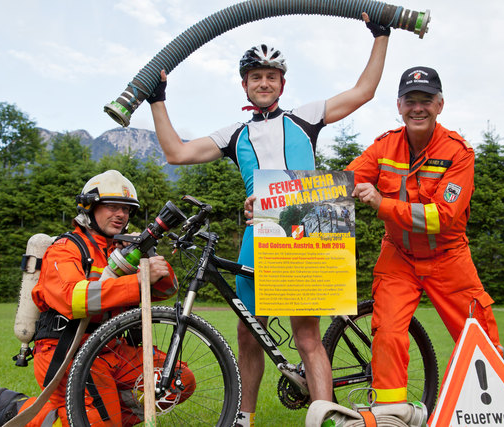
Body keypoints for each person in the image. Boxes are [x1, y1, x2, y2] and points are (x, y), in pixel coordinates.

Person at [149, 13, 391, 426]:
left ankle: (326, 416)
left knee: (307, 336)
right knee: (248, 332)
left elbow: (364, 92)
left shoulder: (306, 116)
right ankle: (244, 418)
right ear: (245, 84)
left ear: (282, 83)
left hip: (306, 228)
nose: (264, 82)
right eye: (256, 76)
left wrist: (380, 35)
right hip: (257, 232)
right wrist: (157, 99)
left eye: (271, 76)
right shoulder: (235, 133)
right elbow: (176, 152)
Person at [0, 170, 194, 426]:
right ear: (90, 209)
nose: (121, 215)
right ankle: (18, 411)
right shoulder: (65, 248)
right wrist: (135, 281)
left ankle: (93, 411)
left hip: (113, 349)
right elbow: (74, 299)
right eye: (112, 206)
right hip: (69, 349)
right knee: (100, 419)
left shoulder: (124, 249)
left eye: (126, 209)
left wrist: (153, 263)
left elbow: (166, 289)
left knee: (180, 381)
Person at [345, 66, 504, 405]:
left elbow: (442, 218)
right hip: (398, 257)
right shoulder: (384, 147)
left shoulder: (458, 153)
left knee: (481, 337)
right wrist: (272, 201)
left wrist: (382, 203)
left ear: (440, 105)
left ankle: (477, 409)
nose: (418, 108)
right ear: (399, 105)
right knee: (387, 332)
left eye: (426, 100)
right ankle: (391, 414)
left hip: (449, 257)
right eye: (411, 100)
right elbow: (337, 184)